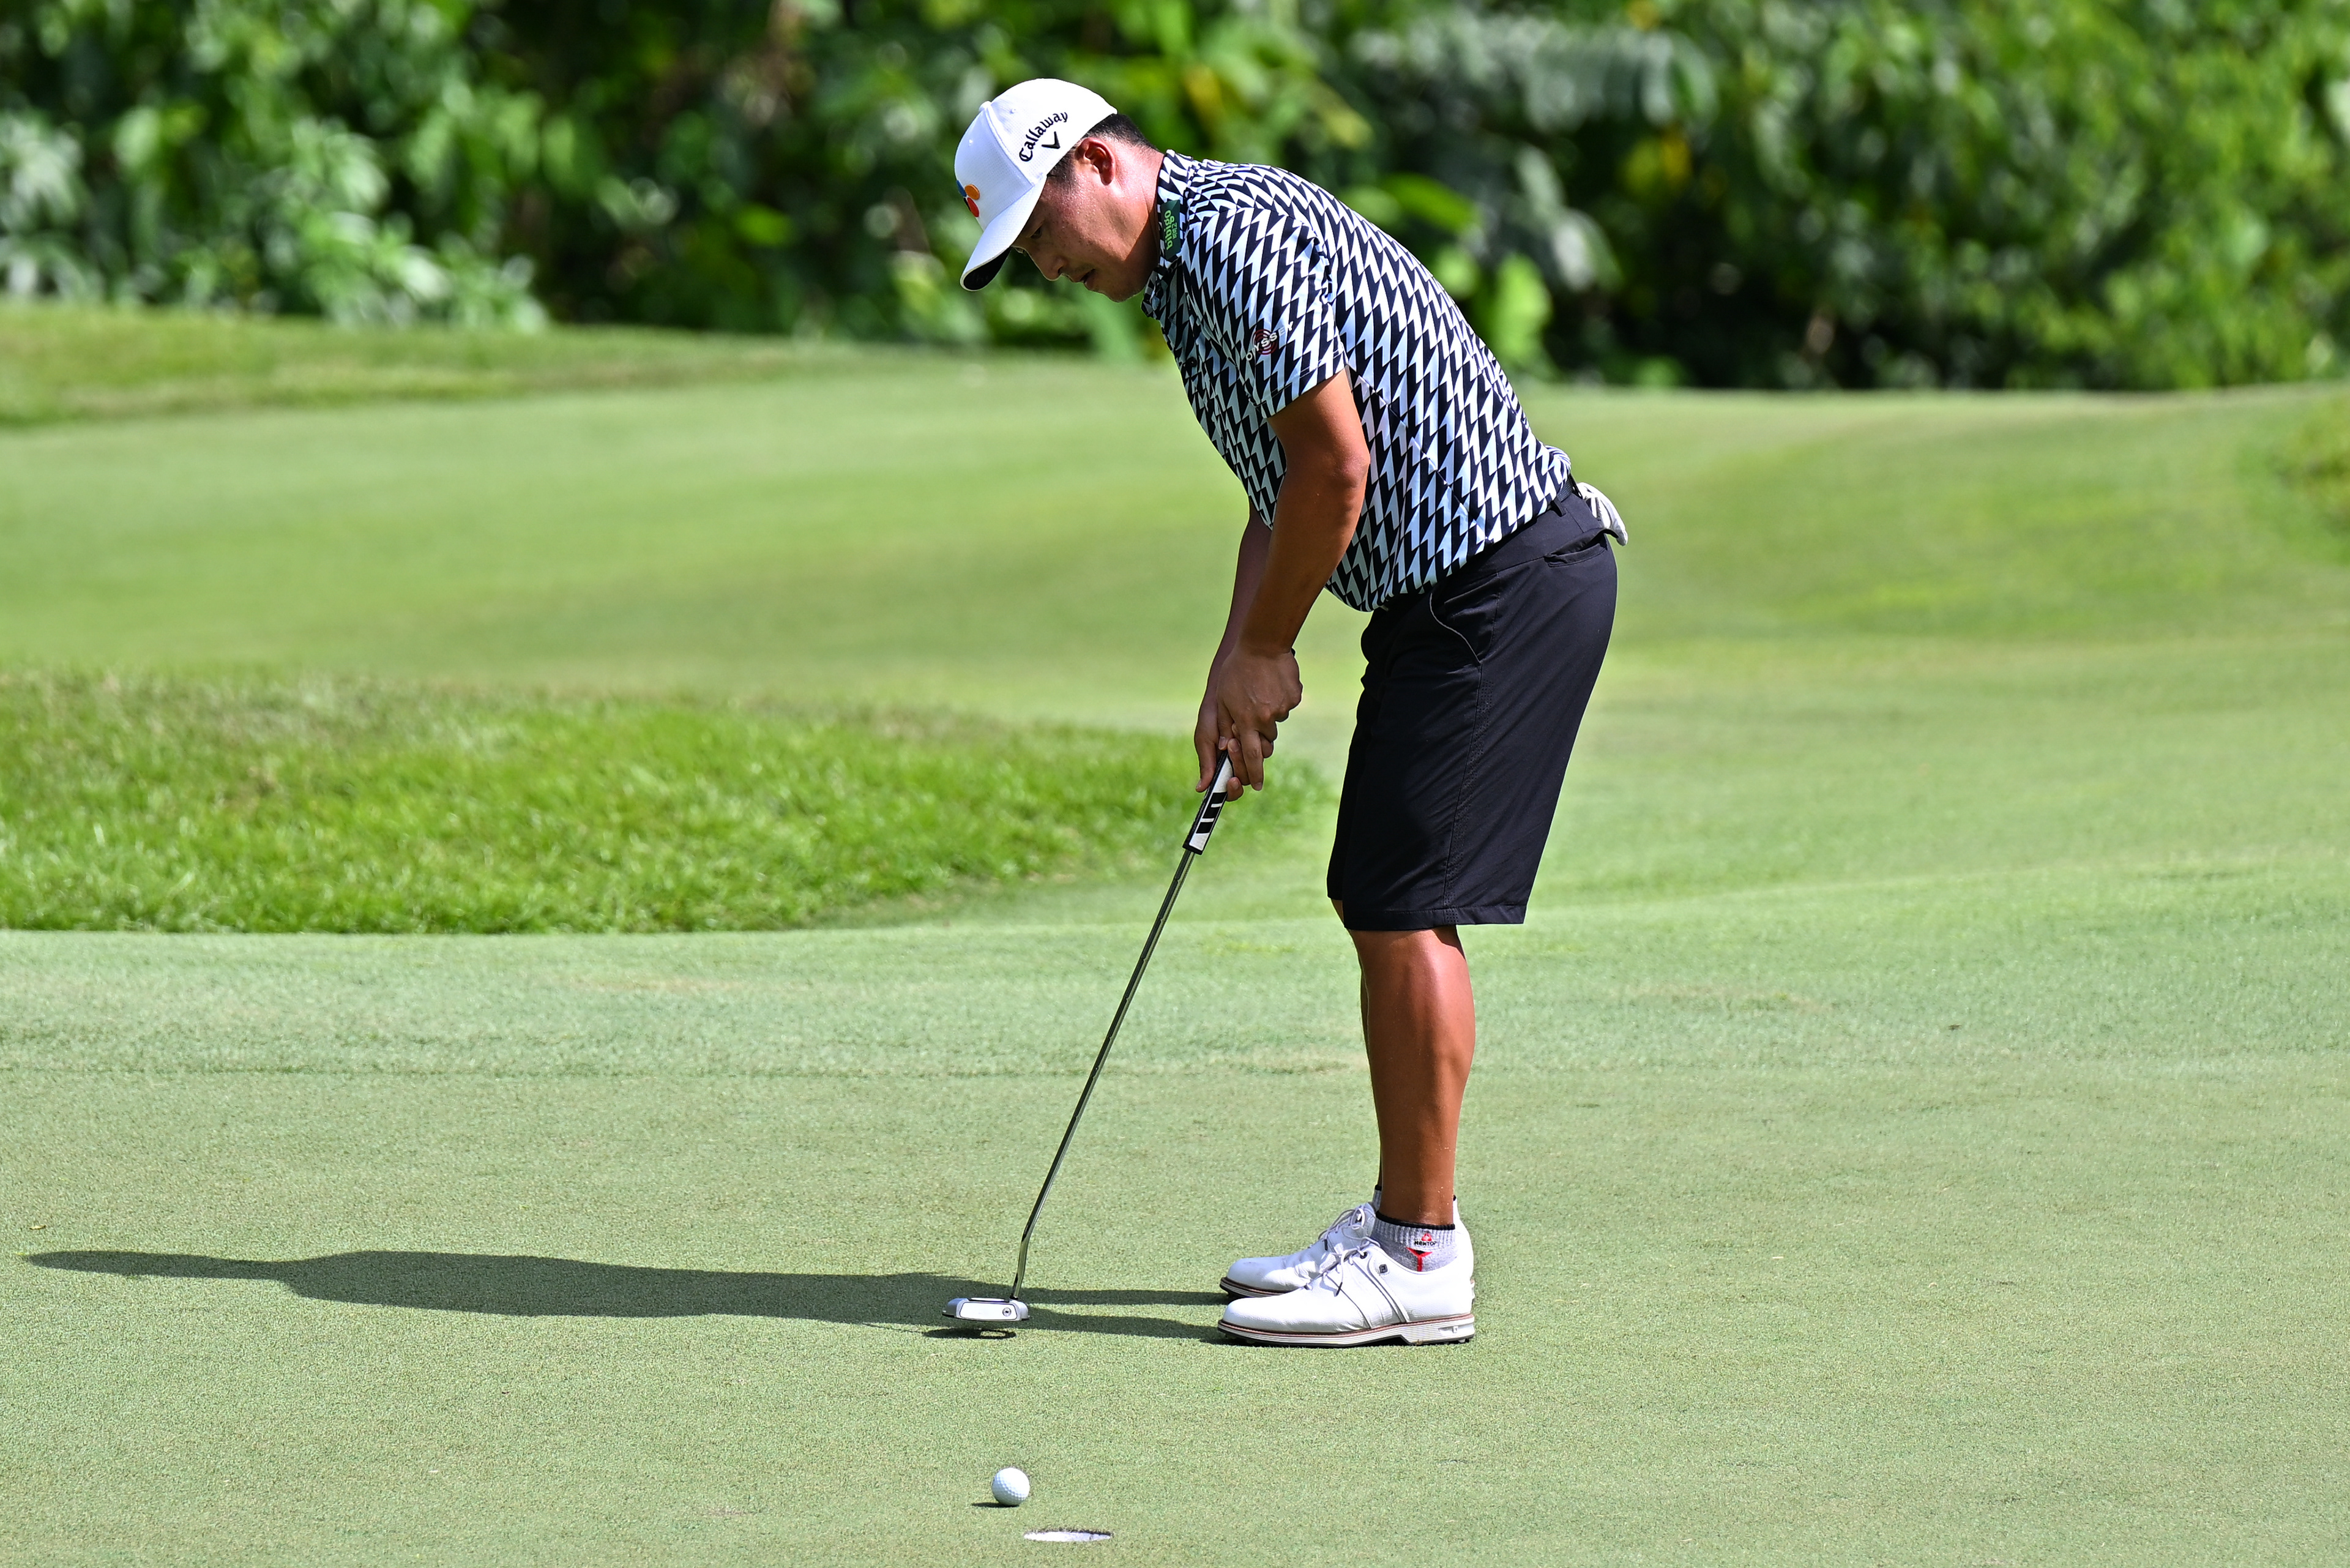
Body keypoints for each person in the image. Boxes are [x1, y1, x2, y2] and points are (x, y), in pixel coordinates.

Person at [952, 80, 1622, 1347]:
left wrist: (1269, 647)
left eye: (1040, 232)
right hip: (1454, 594)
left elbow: (1337, 465)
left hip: (1501, 580)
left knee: (1399, 898)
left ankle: (1420, 1255)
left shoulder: (1227, 238)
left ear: (1097, 161)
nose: (1045, 266)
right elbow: (1281, 487)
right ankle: (1405, 1222)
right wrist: (1235, 658)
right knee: (1382, 889)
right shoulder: (1183, 278)